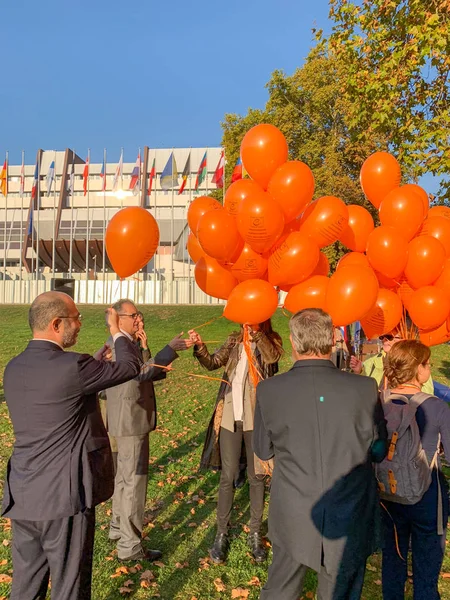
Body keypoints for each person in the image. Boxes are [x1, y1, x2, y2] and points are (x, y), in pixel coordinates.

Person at [2, 292, 141, 600]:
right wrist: (117, 331)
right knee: (70, 587)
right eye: (76, 318)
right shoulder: (73, 366)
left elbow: (59, 388)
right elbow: (131, 367)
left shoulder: (13, 367)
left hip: (24, 495)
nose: (79, 324)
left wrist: (92, 363)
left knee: (25, 587)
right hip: (64, 498)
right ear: (56, 323)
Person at [253, 308, 388, 600]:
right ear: (331, 341)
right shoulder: (365, 387)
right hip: (349, 507)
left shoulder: (269, 390)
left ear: (292, 341)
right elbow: (378, 450)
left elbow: (263, 449)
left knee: (281, 590)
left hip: (293, 510)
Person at [105, 299, 193, 562]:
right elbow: (141, 374)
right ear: (119, 319)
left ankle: (118, 529)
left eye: (140, 316)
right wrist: (170, 349)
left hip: (123, 420)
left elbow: (143, 371)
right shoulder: (119, 346)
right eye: (135, 316)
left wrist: (145, 347)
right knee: (133, 482)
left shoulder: (123, 343)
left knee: (124, 479)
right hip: (130, 422)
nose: (140, 321)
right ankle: (130, 546)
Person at [189, 320, 282, 564]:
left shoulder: (271, 341)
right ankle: (221, 533)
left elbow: (272, 362)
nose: (246, 322)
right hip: (231, 417)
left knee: (256, 476)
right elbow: (213, 363)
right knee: (227, 475)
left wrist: (258, 335)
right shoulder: (233, 340)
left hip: (256, 418)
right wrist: (200, 347)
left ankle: (254, 533)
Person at [381, 340, 450, 600]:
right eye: (428, 363)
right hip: (428, 495)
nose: (429, 367)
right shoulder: (437, 407)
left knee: (393, 560)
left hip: (387, 492)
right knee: (426, 567)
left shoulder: (379, 401)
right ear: (418, 369)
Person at [350, 330, 434, 393]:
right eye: (382, 337)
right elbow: (362, 389)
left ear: (404, 339)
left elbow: (427, 395)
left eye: (390, 337)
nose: (385, 340)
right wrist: (359, 372)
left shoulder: (417, 362)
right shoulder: (372, 361)